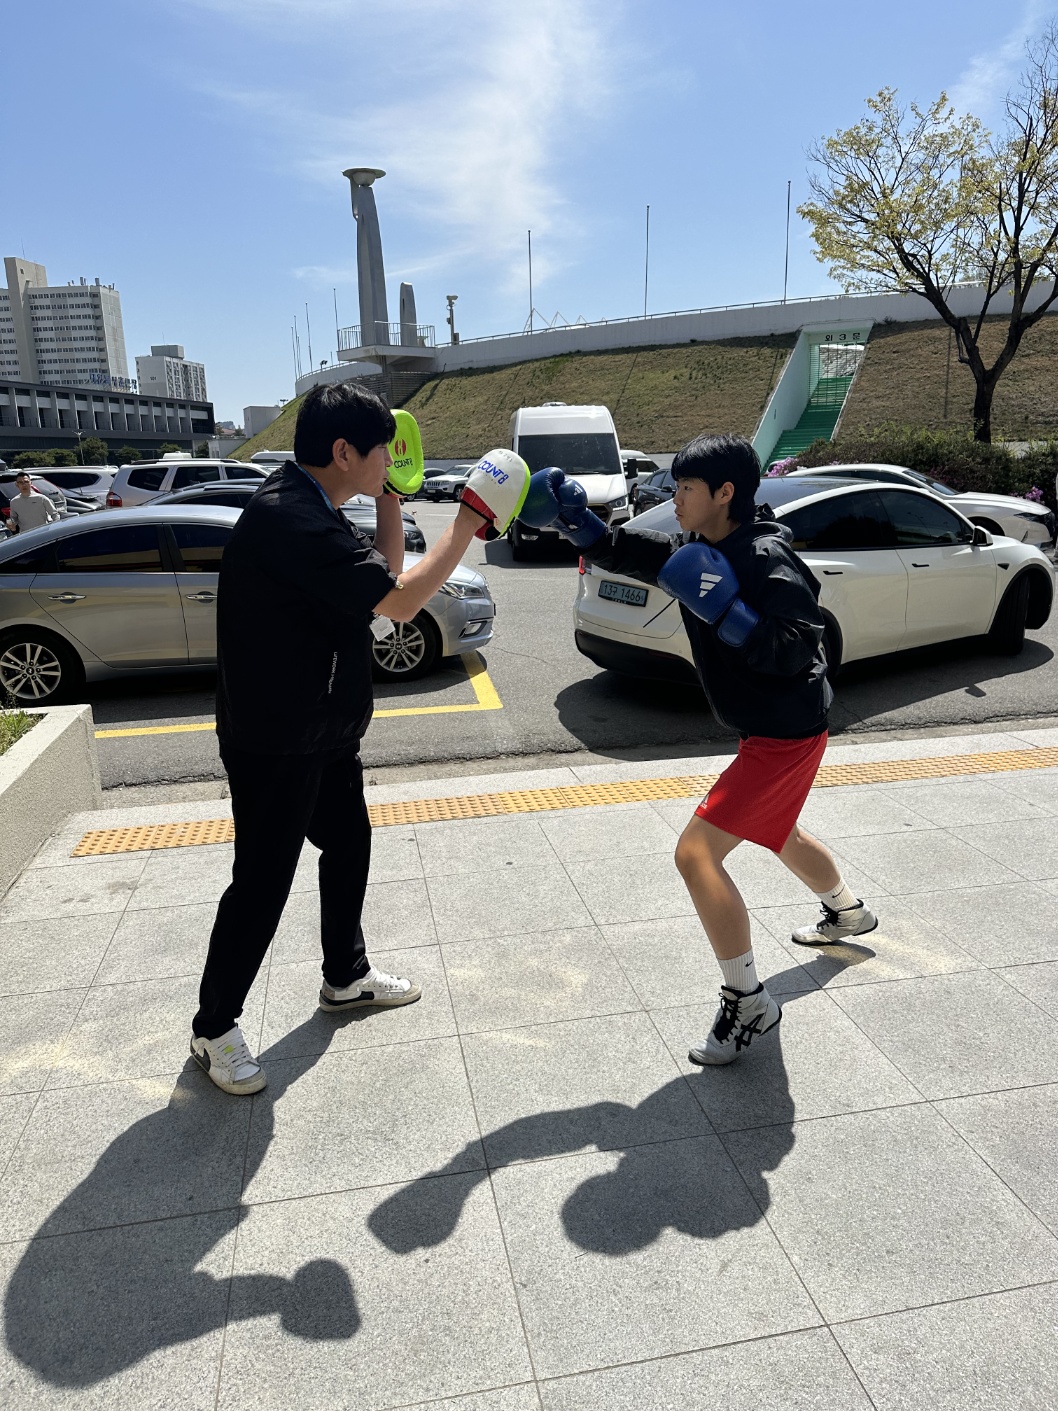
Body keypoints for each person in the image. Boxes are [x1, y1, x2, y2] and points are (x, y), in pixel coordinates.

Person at [190, 382, 529, 1095]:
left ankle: (344, 977)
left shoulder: (314, 505)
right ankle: (213, 1027)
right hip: (276, 738)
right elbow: (402, 603)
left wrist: (392, 496)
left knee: (348, 845)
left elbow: (385, 575)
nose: (390, 459)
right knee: (262, 881)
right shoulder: (290, 520)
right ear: (344, 452)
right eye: (383, 452)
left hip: (322, 727)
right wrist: (467, 522)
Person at [520, 434, 877, 1065]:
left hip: (786, 731)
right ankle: (847, 913)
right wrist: (578, 522)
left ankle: (747, 1000)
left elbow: (801, 642)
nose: (675, 498)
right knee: (778, 830)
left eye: (686, 488)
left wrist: (731, 614)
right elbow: (628, 552)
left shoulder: (766, 556)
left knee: (695, 853)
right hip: (769, 726)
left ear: (725, 493)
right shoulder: (698, 546)